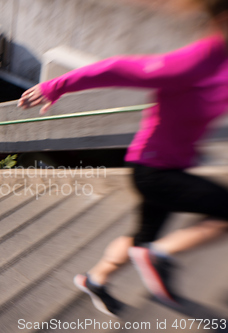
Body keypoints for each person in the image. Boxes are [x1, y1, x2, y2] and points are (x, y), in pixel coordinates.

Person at [18, 0, 228, 317]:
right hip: (153, 170)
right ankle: (159, 256)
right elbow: (116, 69)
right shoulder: (193, 62)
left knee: (141, 239)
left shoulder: (220, 64)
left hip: (171, 167)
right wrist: (56, 85)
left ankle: (95, 280)